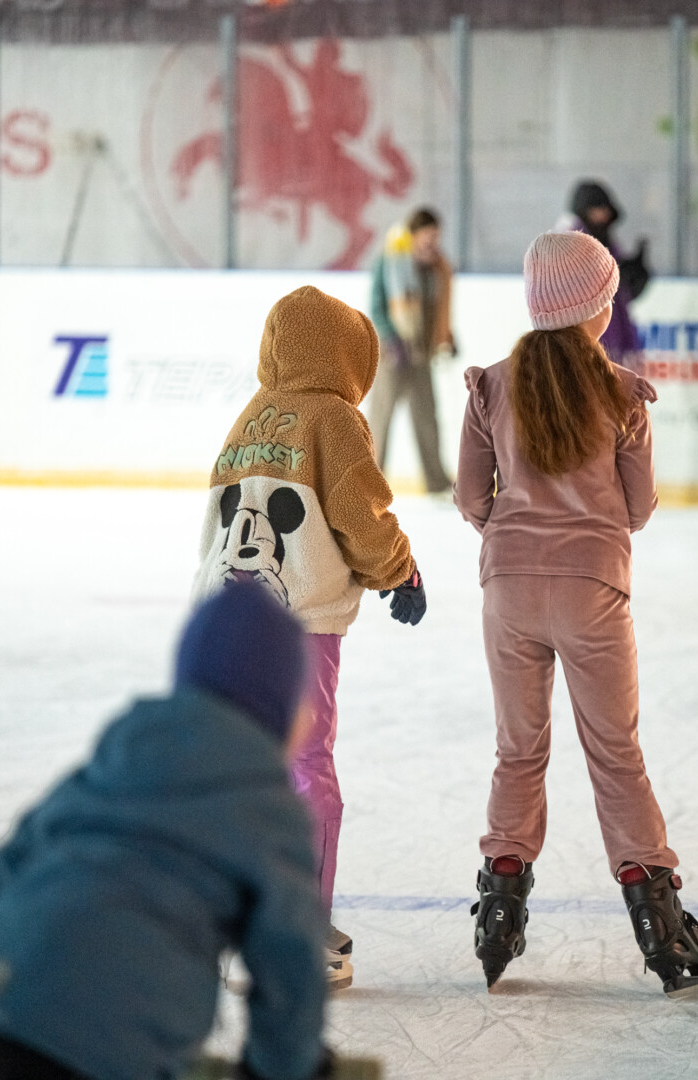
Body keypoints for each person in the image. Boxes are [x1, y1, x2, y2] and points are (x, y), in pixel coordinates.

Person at [454, 230, 698, 998]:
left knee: (517, 751)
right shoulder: (619, 394)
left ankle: (498, 910)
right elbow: (637, 508)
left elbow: (470, 497)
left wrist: (514, 538)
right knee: (614, 754)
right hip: (593, 591)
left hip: (507, 590)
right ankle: (661, 927)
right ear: (595, 308)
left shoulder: (490, 387)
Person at [0, 583, 332, 1080]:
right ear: (285, 714)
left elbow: (7, 868)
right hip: (107, 1052)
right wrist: (281, 1069)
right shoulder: (267, 808)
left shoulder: (110, 766)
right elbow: (292, 960)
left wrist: (17, 969)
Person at [193, 284, 427, 992]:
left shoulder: (250, 417)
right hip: (294, 624)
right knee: (304, 767)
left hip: (222, 624)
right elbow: (360, 511)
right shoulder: (333, 418)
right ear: (349, 355)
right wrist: (400, 571)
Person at [366, 206, 456, 495]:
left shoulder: (436, 269)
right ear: (414, 235)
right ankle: (370, 482)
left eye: (436, 237)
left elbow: (438, 310)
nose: (433, 244)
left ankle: (436, 479)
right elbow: (377, 305)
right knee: (381, 418)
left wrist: (447, 336)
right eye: (428, 237)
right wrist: (391, 339)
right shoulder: (391, 261)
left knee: (427, 417)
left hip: (421, 353)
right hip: (392, 355)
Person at [558, 180, 651, 372]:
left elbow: (619, 294)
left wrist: (633, 274)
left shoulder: (605, 239)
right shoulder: (570, 241)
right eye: (597, 208)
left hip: (611, 333)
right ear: (584, 209)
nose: (603, 214)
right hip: (585, 338)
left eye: (605, 209)